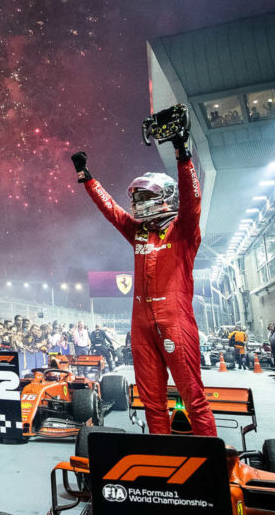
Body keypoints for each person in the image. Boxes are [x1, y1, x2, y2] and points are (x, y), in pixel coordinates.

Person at [71, 122, 217, 437]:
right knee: (151, 401)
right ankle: (162, 458)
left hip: (175, 322)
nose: (136, 201)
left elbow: (192, 199)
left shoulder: (184, 230)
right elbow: (111, 211)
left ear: (164, 197)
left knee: (193, 397)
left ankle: (211, 462)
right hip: (140, 326)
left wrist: (182, 153)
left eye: (143, 195)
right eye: (136, 195)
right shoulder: (138, 231)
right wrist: (88, 179)